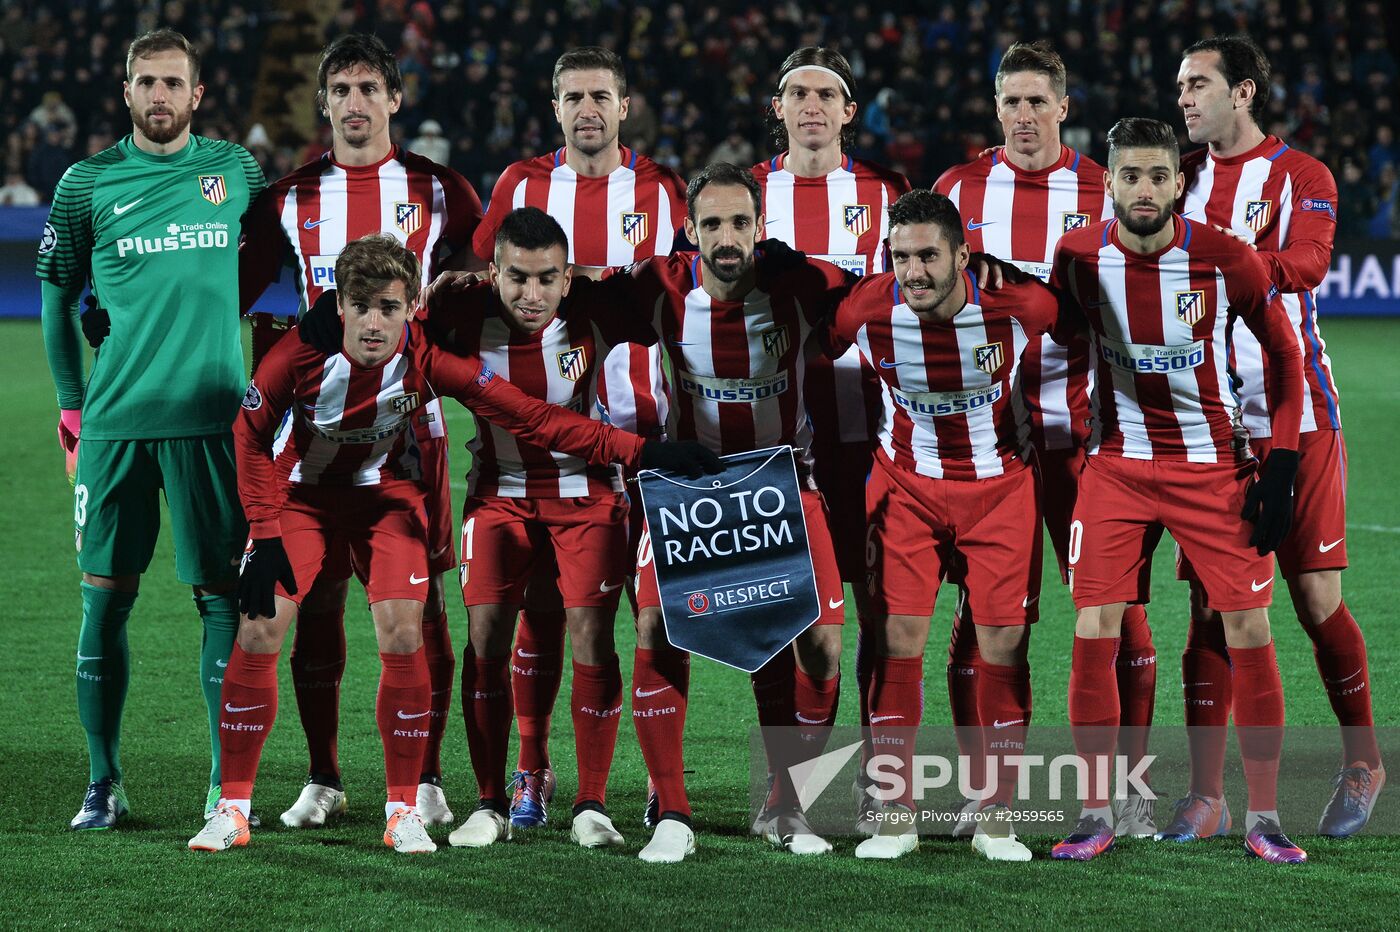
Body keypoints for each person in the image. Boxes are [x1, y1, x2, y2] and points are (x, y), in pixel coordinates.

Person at [189, 234, 716, 853]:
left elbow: (535, 418)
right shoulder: (300, 353)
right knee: (258, 630)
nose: (373, 322)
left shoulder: (430, 359)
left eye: (389, 307)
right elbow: (248, 434)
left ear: (414, 305)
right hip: (300, 497)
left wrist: (646, 451)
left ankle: (403, 810)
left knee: (405, 633)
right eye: (360, 306)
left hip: (387, 498)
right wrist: (264, 532)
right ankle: (232, 807)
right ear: (339, 306)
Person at [237, 33, 484, 830]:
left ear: (395, 98)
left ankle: (430, 773)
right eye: (340, 88)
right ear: (323, 101)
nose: (354, 102)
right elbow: (238, 294)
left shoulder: (443, 191)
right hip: (311, 435)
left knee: (422, 603)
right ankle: (323, 775)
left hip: (414, 431)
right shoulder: (286, 197)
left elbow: (470, 291)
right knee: (317, 602)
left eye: (369, 88)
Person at [1049, 117, 1307, 865]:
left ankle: (1263, 815)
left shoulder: (1227, 259)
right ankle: (1096, 811)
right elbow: (1049, 332)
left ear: (1177, 183)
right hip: (1116, 468)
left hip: (1211, 470)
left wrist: (1281, 462)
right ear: (1109, 183)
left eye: (1158, 175)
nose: (1144, 189)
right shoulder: (1076, 256)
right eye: (1129, 175)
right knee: (1094, 627)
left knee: (1249, 630)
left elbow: (1285, 360)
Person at [38, 28, 266, 829]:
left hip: (211, 424)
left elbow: (283, 263)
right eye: (146, 82)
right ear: (127, 91)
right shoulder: (86, 183)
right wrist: (71, 405)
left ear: (197, 94)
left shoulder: (236, 172)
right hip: (116, 426)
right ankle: (103, 782)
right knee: (104, 600)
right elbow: (56, 297)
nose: (159, 96)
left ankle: (221, 784)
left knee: (221, 599)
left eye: (174, 83)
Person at [934, 39, 1158, 839]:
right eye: (1011, 102)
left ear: (1065, 107)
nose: (1024, 116)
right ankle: (980, 786)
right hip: (984, 443)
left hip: (1083, 440)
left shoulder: (1106, 189)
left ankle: (1127, 786)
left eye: (1039, 102)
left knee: (1119, 612)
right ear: (995, 108)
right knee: (986, 617)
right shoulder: (958, 188)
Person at [1168, 34, 1383, 841]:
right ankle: (1203, 793)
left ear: (1244, 91)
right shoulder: (1179, 179)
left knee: (1316, 597)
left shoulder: (1302, 176)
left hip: (1300, 417)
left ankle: (1363, 760)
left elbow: (1310, 262)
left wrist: (1213, 261)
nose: (1184, 98)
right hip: (1209, 428)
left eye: (1198, 84)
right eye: (1180, 86)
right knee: (1209, 607)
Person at [470, 46, 686, 825]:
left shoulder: (663, 192)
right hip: (556, 449)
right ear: (553, 106)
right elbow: (486, 282)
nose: (587, 108)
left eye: (601, 95)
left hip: (651, 433)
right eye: (573, 97)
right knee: (542, 612)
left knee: (659, 617)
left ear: (624, 106)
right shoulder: (520, 185)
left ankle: (663, 779)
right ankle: (533, 770)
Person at [617, 163, 852, 863]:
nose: (727, 237)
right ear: (690, 230)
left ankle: (786, 802)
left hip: (781, 482)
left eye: (740, 223)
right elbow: (574, 301)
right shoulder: (658, 289)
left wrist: (810, 270)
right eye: (712, 223)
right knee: (657, 622)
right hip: (690, 487)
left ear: (760, 228)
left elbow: (863, 299)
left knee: (822, 642)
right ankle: (673, 812)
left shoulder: (796, 292)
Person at [837, 190, 1073, 863]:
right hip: (905, 485)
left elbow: (1068, 320)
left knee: (1003, 644)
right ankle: (895, 815)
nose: (914, 272)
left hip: (1000, 491)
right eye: (901, 256)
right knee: (896, 638)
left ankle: (996, 815)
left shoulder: (1014, 304)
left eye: (929, 256)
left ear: (963, 256)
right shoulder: (866, 308)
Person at [422, 208, 662, 849]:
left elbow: (672, 295)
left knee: (590, 633)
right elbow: (395, 327)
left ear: (567, 278)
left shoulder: (597, 306)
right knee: (488, 636)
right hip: (498, 493)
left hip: (586, 493)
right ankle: (491, 801)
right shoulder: (460, 310)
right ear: (492, 271)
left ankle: (591, 802)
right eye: (518, 278)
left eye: (547, 279)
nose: (532, 295)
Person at [751, 50, 911, 818]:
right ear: (775, 107)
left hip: (871, 436)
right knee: (784, 615)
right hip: (774, 443)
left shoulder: (887, 194)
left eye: (826, 94)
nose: (810, 105)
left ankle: (882, 779)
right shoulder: (746, 193)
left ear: (850, 111)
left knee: (880, 608)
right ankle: (789, 784)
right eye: (796, 93)